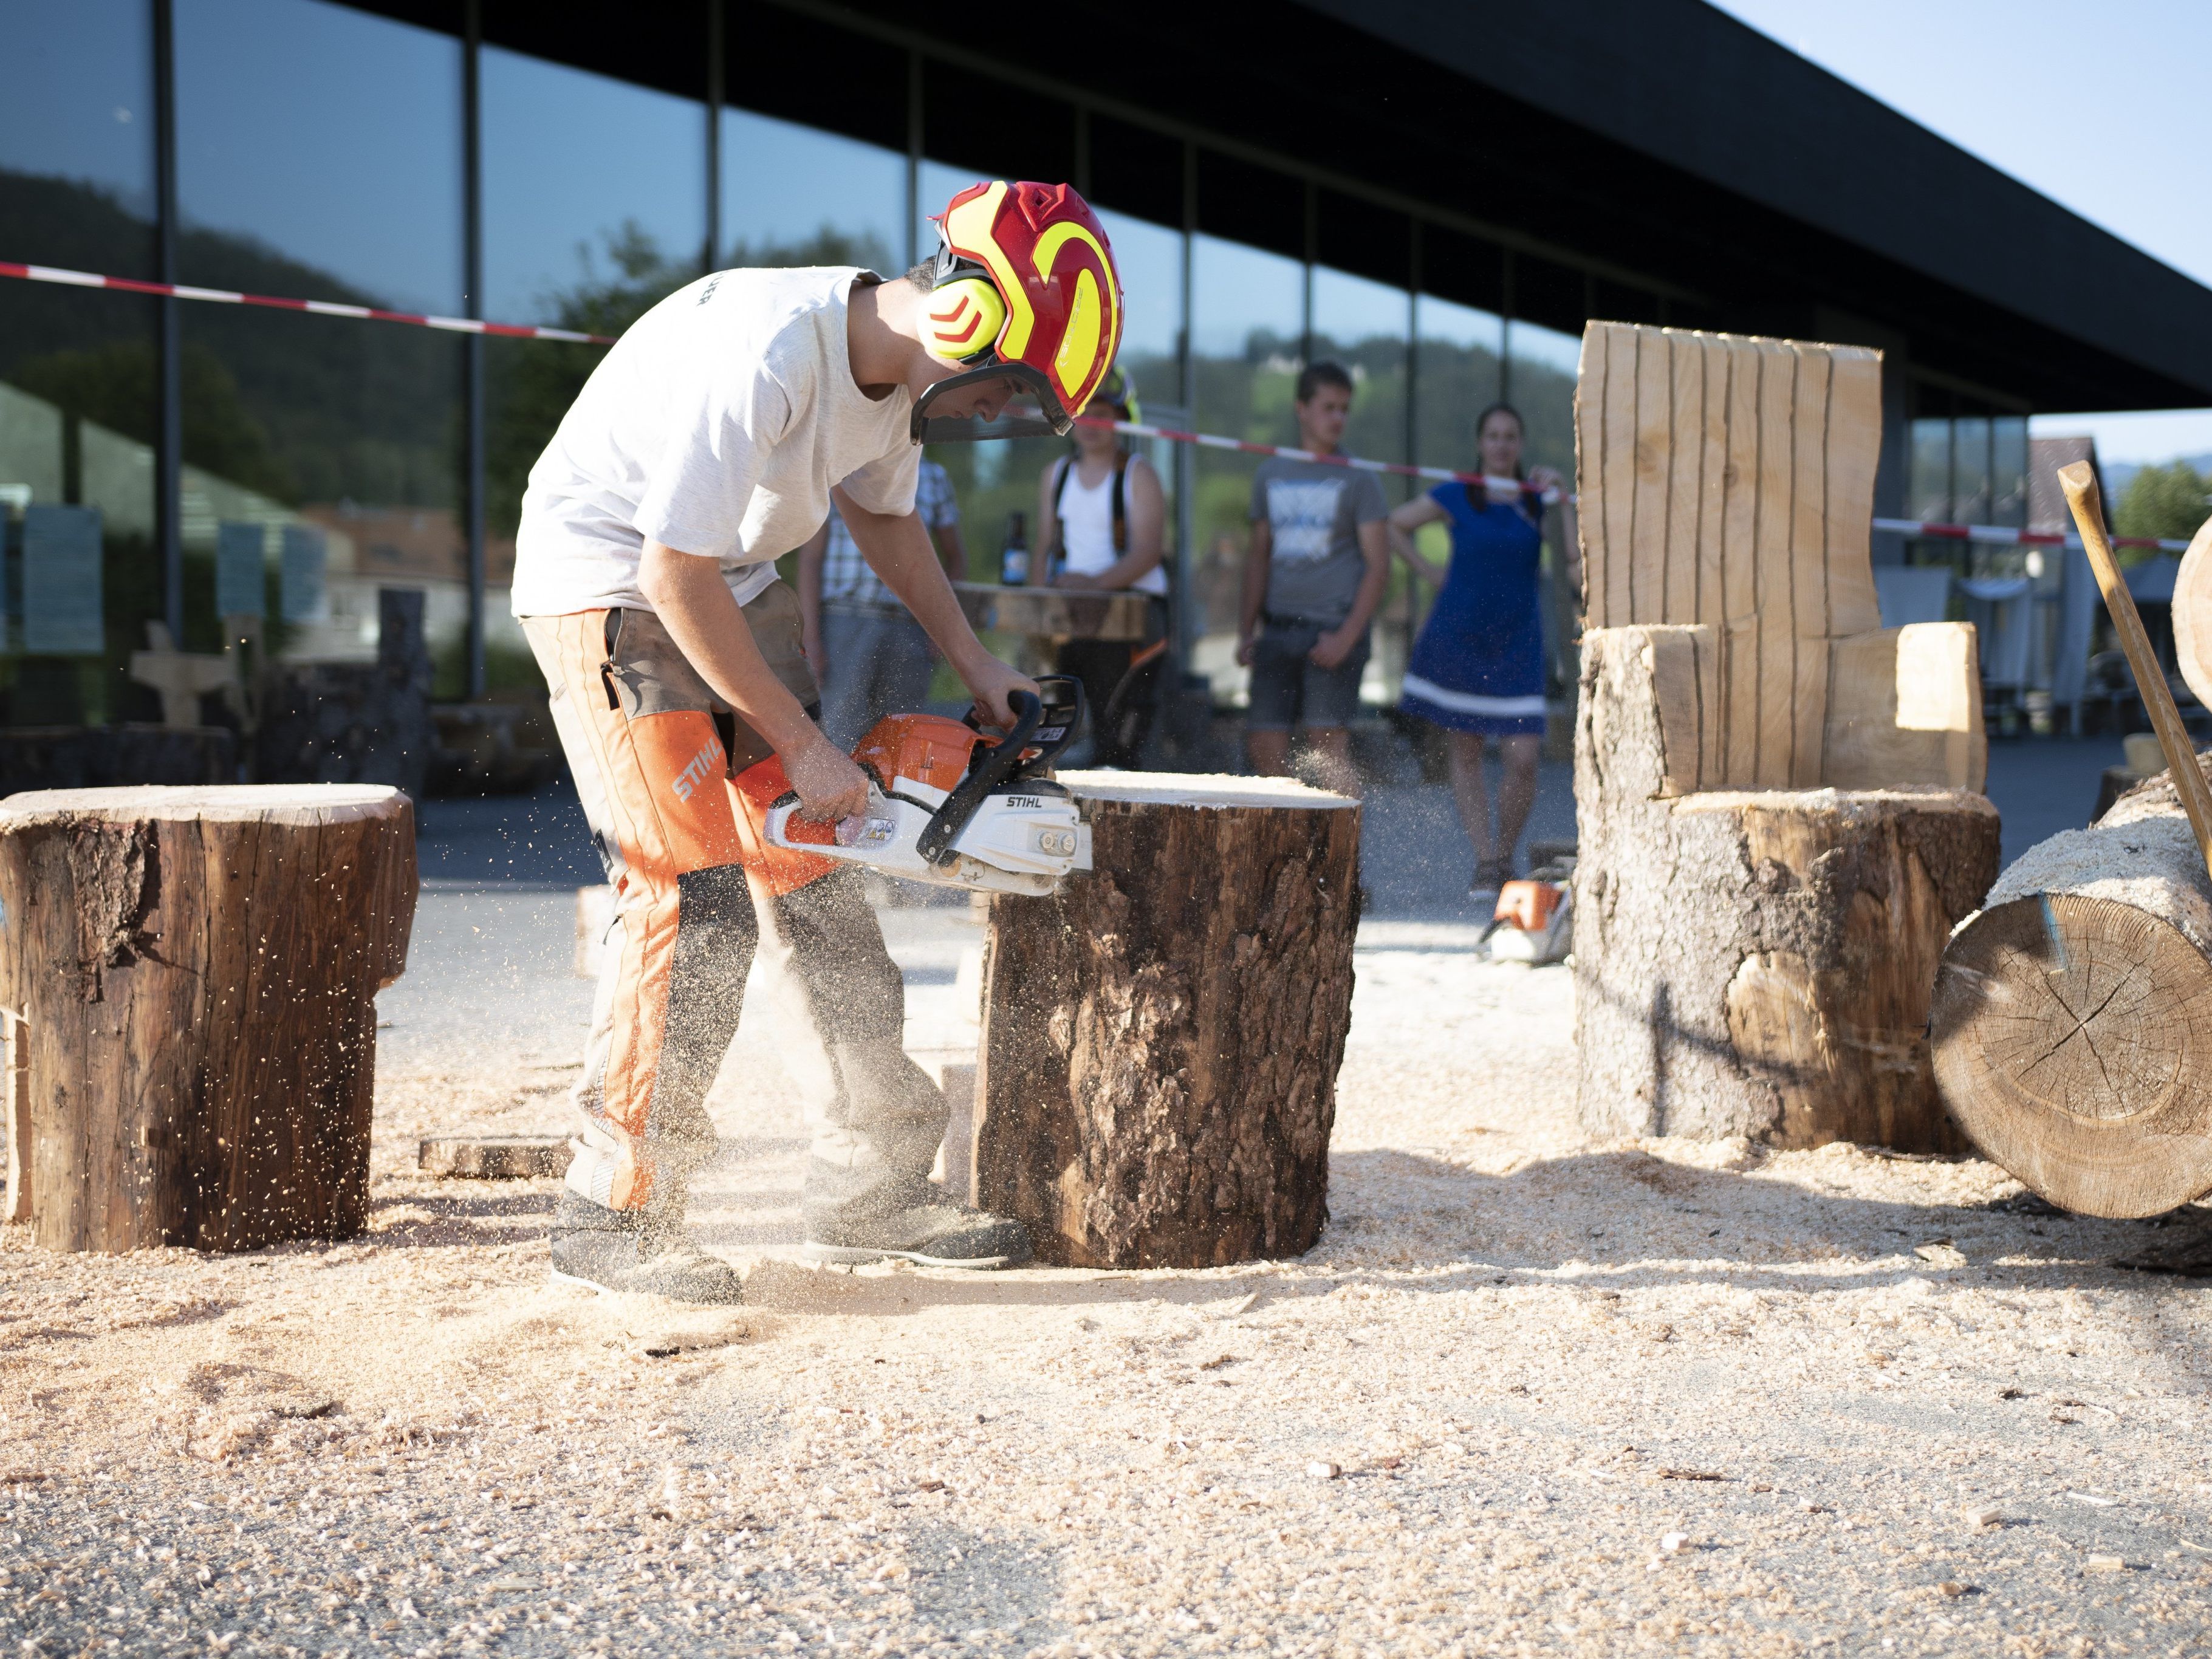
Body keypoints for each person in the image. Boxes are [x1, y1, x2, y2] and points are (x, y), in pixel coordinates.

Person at [509, 179, 1125, 1301]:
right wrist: (803, 743)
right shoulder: (768, 354)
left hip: (727, 584)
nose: (990, 419)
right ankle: (612, 1208)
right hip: (611, 586)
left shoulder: (887, 383)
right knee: (687, 900)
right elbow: (667, 574)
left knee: (817, 882)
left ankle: (869, 1185)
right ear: (966, 321)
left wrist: (978, 664)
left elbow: (885, 519)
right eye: (1003, 398)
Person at [1386, 401, 1578, 902]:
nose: (1500, 444)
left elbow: (1575, 562)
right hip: (1461, 637)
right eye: (1492, 435)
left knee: (1523, 759)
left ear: (1519, 443)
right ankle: (1487, 862)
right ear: (1480, 443)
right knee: (1465, 750)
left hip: (1517, 642)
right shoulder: (1455, 493)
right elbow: (1393, 525)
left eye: (1509, 436)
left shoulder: (1536, 500)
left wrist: (1563, 499)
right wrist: (1430, 575)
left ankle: (1505, 850)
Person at [1235, 362, 1391, 796]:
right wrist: (1245, 630)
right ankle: (1294, 849)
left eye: (1344, 409)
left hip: (1333, 628)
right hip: (1278, 627)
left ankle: (1347, 859)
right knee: (1264, 745)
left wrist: (1345, 637)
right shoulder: (1270, 473)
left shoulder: (1361, 477)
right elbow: (1257, 558)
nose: (1337, 418)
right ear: (1301, 408)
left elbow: (1379, 567)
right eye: (1328, 407)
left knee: (1327, 749)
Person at [1031, 365, 1167, 767]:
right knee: (1058, 716)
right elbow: (1044, 546)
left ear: (1122, 421)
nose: (1090, 423)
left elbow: (1147, 553)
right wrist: (1040, 607)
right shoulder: (1055, 475)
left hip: (1131, 615)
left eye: (1102, 414)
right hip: (1073, 614)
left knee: (1120, 732)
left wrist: (1088, 586)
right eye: (1082, 410)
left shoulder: (1138, 474)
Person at [796, 455, 966, 746]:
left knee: (901, 733)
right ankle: (842, 791)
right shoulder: (838, 469)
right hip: (843, 621)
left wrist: (942, 632)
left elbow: (956, 559)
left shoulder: (932, 475)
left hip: (910, 623)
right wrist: (810, 638)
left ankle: (896, 791)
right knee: (840, 728)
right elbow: (811, 560)